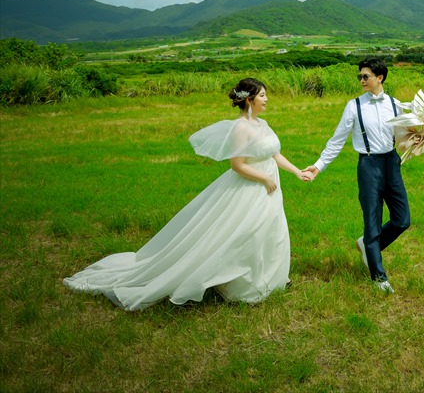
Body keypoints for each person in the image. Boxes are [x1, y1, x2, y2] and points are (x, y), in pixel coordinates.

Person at [63, 78, 307, 311]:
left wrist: (297, 171)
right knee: (245, 233)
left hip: (270, 186)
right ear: (249, 99)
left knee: (272, 230)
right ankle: (238, 286)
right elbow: (237, 165)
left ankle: (270, 277)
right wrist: (263, 178)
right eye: (262, 95)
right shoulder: (241, 128)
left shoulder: (262, 124)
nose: (267, 99)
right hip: (250, 187)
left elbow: (274, 153)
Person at [302, 57, 409, 293]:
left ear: (379, 78)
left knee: (403, 220)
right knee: (372, 221)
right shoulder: (354, 106)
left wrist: (421, 137)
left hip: (392, 162)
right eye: (360, 76)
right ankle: (379, 277)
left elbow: (403, 136)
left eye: (365, 76)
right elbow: (337, 140)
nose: (361, 80)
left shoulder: (395, 104)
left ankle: (367, 246)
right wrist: (318, 166)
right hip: (368, 165)